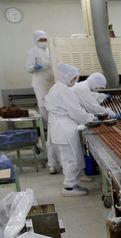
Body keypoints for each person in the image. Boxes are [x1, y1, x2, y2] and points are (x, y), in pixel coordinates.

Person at [44, 64, 95, 197]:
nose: (75, 81)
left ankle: (73, 184)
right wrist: (90, 118)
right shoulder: (63, 90)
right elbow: (75, 111)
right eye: (74, 78)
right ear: (67, 77)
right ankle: (69, 187)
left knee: (69, 158)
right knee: (71, 159)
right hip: (64, 128)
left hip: (60, 127)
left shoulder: (57, 88)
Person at [24, 30, 58, 174]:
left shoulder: (52, 50)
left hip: (52, 83)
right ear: (36, 40)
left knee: (54, 124)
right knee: (49, 122)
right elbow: (28, 68)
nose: (44, 41)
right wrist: (35, 68)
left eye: (45, 38)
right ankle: (52, 162)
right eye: (41, 39)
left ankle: (54, 162)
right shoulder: (32, 52)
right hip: (41, 85)